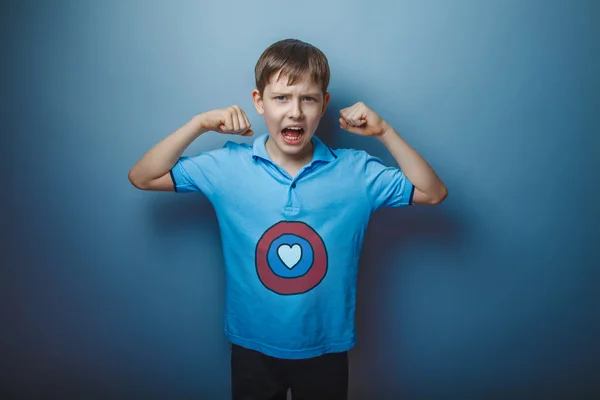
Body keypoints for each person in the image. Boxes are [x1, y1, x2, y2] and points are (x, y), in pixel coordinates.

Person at [128, 38, 447, 400]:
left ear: (324, 105)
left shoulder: (356, 172)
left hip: (325, 346)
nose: (295, 112)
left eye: (307, 99)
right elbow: (143, 176)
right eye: (281, 98)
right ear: (258, 102)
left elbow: (433, 192)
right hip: (252, 347)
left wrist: (385, 131)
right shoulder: (227, 166)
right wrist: (199, 124)